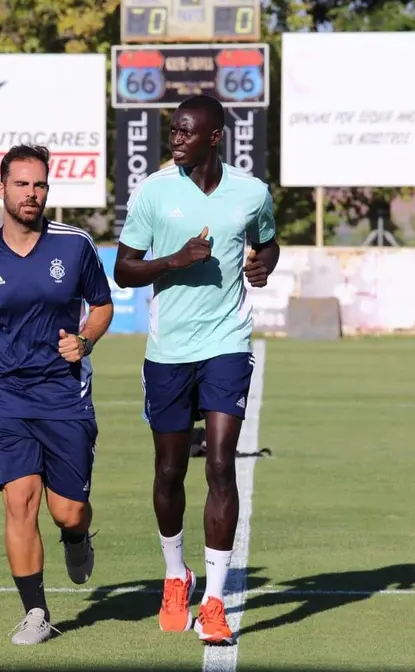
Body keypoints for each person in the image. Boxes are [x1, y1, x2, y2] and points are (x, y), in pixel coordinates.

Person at [113, 94, 280, 645]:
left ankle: (213, 601)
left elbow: (268, 243)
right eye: (173, 131)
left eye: (186, 131)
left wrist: (262, 267)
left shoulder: (251, 193)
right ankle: (173, 574)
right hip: (168, 350)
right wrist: (173, 261)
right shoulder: (153, 192)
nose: (176, 139)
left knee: (221, 466)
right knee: (168, 472)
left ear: (214, 137)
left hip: (227, 343)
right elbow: (125, 270)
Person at [0, 144, 114, 646]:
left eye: (39, 184)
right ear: (1, 189)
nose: (31, 194)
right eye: (21, 184)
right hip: (7, 395)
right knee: (20, 500)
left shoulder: (76, 245)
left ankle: (77, 537)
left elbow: (102, 306)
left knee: (68, 511)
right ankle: (35, 611)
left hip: (65, 394)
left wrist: (84, 340)